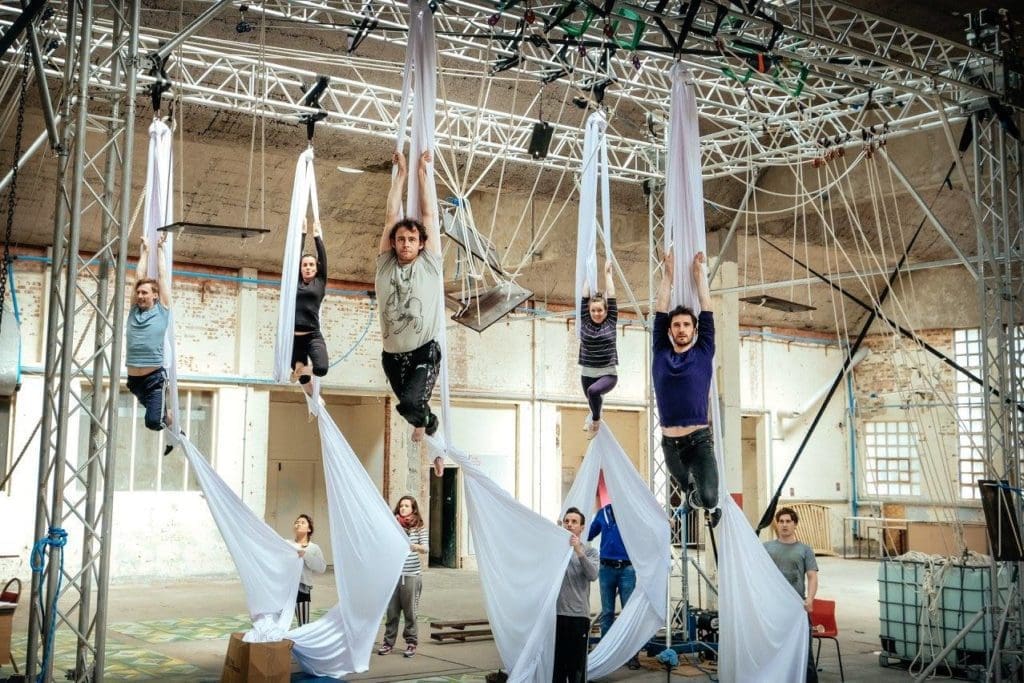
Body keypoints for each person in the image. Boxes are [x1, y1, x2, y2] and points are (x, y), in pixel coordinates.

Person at [376, 150, 444, 477]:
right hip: (392, 356)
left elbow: (429, 216)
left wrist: (421, 173)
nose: (405, 243)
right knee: (406, 409)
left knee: (413, 406)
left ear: (420, 244)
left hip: (423, 351)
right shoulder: (386, 264)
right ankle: (423, 421)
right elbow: (391, 216)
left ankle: (431, 425)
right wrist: (399, 174)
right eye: (401, 239)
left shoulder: (429, 265)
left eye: (411, 239)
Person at [652, 250, 720, 527]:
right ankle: (701, 501)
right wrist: (668, 275)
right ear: (669, 330)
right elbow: (659, 308)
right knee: (690, 495)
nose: (681, 329)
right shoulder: (660, 352)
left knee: (708, 496)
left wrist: (698, 275)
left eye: (686, 325)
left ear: (694, 329)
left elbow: (706, 307)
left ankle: (711, 506)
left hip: (699, 440)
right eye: (676, 325)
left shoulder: (703, 352)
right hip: (671, 444)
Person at [126, 235, 174, 455]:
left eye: (144, 292)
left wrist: (160, 250)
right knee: (154, 417)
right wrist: (144, 251)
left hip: (154, 380)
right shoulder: (134, 311)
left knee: (153, 422)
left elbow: (163, 277)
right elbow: (137, 276)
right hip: (134, 382)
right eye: (138, 292)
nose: (139, 295)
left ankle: (171, 423)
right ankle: (166, 414)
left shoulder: (162, 310)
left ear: (155, 295)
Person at [764, 506, 819, 683]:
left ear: (795, 524)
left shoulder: (805, 550)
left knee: (804, 652)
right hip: (773, 608)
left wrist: (810, 599)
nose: (784, 525)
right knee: (773, 650)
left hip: (797, 608)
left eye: (788, 521)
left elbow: (812, 576)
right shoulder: (766, 548)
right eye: (781, 521)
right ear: (776, 525)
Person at [587, 502, 641, 670]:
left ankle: (631, 656)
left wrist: (665, 520)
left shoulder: (632, 511)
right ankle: (605, 655)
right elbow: (588, 534)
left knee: (628, 614)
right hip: (606, 569)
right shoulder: (603, 513)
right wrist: (566, 530)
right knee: (607, 612)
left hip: (627, 569)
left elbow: (648, 525)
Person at [379, 495, 429, 658]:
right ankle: (388, 643)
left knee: (410, 612)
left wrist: (415, 547)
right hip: (394, 575)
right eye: (401, 506)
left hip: (411, 575)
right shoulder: (393, 525)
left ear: (413, 508)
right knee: (392, 612)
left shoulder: (419, 527)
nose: (403, 508)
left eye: (406, 506)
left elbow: (426, 548)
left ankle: (411, 642)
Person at [553, 507, 599, 683]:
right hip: (557, 616)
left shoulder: (589, 552)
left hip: (578, 617)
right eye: (567, 521)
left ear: (582, 528)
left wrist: (578, 550)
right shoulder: (555, 551)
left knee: (576, 669)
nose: (569, 525)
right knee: (557, 667)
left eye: (574, 522)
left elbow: (593, 575)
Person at [579, 261, 618, 439]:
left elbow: (611, 295)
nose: (596, 313)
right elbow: (585, 295)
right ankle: (595, 418)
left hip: (608, 374)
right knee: (594, 399)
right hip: (587, 374)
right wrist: (588, 273)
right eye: (593, 310)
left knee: (594, 392)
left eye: (600, 310)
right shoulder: (585, 320)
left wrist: (607, 275)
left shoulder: (610, 322)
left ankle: (596, 422)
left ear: (605, 310)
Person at [291, 219, 329, 397]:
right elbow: (293, 259)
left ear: (316, 268)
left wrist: (316, 237)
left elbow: (323, 259)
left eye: (311, 265)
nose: (307, 268)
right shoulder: (295, 283)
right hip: (294, 339)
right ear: (300, 268)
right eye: (304, 265)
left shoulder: (320, 282)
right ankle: (315, 401)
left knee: (321, 368)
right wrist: (301, 234)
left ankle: (300, 370)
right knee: (304, 380)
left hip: (313, 335)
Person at [290, 514, 327, 627]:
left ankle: (302, 643)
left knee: (303, 624)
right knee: (281, 619)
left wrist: (305, 555)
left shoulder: (313, 548)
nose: (298, 524)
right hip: (286, 587)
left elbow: (322, 568)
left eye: (302, 522)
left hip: (302, 588)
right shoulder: (287, 544)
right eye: (297, 522)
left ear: (309, 529)